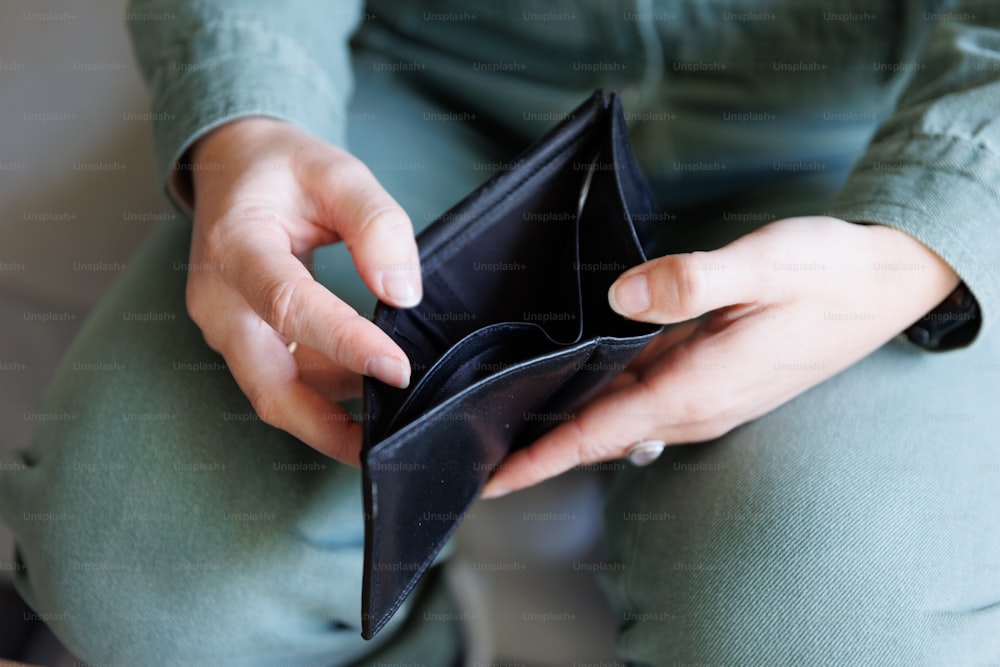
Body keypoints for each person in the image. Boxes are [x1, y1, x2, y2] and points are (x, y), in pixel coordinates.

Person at [2, 0, 999, 664]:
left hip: (859, 153)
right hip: (422, 84)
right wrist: (246, 110)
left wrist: (930, 231)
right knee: (143, 584)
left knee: (839, 625)